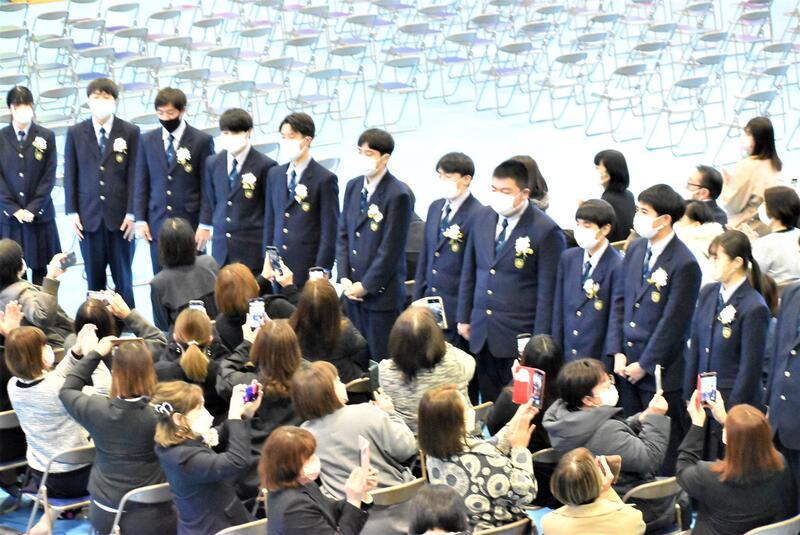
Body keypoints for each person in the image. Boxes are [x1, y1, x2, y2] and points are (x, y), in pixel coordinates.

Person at [457, 159, 565, 402]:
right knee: (489, 402)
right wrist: (464, 316)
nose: (498, 196)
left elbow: (548, 295)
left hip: (518, 337)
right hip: (481, 331)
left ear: (524, 193)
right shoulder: (481, 217)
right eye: (494, 190)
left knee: (518, 403)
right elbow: (470, 270)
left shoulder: (545, 230)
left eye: (506, 191)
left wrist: (537, 345)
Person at [615, 184, 701, 474]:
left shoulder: (685, 263)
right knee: (631, 442)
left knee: (664, 448)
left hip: (660, 370)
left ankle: (665, 495)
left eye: (644, 212)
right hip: (626, 364)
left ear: (664, 220)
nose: (637, 217)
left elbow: (674, 324)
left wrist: (645, 364)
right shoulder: (637, 248)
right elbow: (620, 302)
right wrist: (617, 351)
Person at [59, 337, 177, 535]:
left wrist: (95, 354)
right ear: (150, 372)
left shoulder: (95, 408)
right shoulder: (160, 416)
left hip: (104, 512)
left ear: (115, 373)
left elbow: (67, 389)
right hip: (153, 515)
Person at [543, 359, 671, 528]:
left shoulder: (567, 419)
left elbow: (618, 434)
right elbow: (650, 458)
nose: (612, 384)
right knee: (680, 493)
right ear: (588, 400)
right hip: (624, 503)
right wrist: (656, 417)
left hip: (581, 501)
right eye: (606, 384)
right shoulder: (605, 431)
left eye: (609, 379)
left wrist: (643, 417)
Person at [292, 361, 417, 535]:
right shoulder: (368, 412)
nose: (343, 384)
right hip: (402, 512)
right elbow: (407, 449)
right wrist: (390, 413)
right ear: (329, 391)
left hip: (349, 521)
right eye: (338, 380)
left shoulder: (304, 436)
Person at [5, 327, 106, 534]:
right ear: (37, 356)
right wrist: (93, 355)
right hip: (81, 477)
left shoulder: (13, 386)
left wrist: (76, 352)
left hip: (42, 476)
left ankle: (46, 521)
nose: (49, 348)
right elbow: (104, 394)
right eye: (44, 346)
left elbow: (52, 380)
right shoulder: (58, 388)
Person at [685, 230, 769, 458]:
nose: (711, 263)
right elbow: (696, 346)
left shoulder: (754, 306)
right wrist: (689, 392)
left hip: (731, 399)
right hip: (704, 394)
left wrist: (731, 412)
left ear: (736, 262)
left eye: (717, 258)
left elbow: (750, 368)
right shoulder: (708, 292)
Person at [336, 128, 413, 360]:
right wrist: (344, 276)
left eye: (369, 153)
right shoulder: (353, 186)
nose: (363, 157)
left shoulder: (398, 194)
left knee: (381, 359)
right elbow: (343, 233)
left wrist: (366, 285)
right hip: (352, 293)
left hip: (381, 296)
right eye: (360, 152)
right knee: (356, 356)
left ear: (385, 158)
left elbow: (391, 250)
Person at [63, 78, 139, 307]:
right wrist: (72, 212)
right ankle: (96, 322)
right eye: (96, 97)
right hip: (89, 218)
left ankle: (127, 323)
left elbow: (136, 175)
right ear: (88, 101)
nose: (101, 101)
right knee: (94, 281)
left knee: (123, 279)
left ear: (114, 101)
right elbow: (70, 174)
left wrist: (133, 213)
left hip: (121, 220)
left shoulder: (130, 132)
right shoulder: (76, 133)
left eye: (106, 97)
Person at [418, 384, 537, 530]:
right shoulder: (482, 458)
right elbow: (526, 493)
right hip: (502, 528)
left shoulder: (434, 451)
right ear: (455, 421)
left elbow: (491, 446)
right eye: (466, 408)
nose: (472, 410)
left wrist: (518, 418)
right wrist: (520, 448)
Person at [153, 380, 261, 535]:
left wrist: (243, 414)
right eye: (199, 408)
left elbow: (215, 434)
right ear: (178, 419)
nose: (206, 412)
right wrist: (235, 418)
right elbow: (237, 461)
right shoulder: (184, 458)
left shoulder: (173, 442)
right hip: (216, 528)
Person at [679, 393, 796, 535]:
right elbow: (749, 440)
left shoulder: (709, 476)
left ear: (727, 438)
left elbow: (682, 470)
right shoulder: (780, 466)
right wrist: (727, 421)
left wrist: (697, 425)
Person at [218, 319, 304, 496]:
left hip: (255, 472)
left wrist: (247, 343)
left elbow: (223, 372)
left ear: (258, 350)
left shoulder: (248, 385)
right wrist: (281, 337)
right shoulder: (308, 381)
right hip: (299, 461)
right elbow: (300, 363)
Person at [134, 87, 215, 274]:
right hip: (157, 222)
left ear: (182, 111)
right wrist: (140, 219)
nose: (165, 117)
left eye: (170, 113)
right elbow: (141, 181)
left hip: (191, 223)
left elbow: (207, 187)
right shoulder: (147, 140)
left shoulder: (201, 141)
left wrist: (205, 224)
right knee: (161, 277)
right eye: (160, 113)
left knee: (195, 277)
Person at [413, 152, 484, 349]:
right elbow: (426, 257)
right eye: (440, 176)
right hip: (430, 303)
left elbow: (473, 270)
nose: (443, 180)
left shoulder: (479, 214)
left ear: (466, 179)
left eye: (449, 176)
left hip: (456, 308)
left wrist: (464, 316)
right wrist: (416, 300)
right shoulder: (435, 207)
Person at [487, 334, 564, 507]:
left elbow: (495, 433)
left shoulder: (511, 400)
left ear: (524, 363)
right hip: (565, 480)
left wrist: (516, 382)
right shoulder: (571, 393)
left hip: (527, 484)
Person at [264, 112, 339, 287]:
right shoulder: (275, 174)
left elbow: (330, 229)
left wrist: (322, 268)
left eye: (291, 137)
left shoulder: (324, 179)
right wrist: (268, 258)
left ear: (306, 140)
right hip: (279, 265)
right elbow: (270, 220)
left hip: (307, 264)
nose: (286, 141)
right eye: (283, 137)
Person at [261, 426, 377, 535]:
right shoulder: (293, 508)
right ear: (288, 465)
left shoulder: (305, 484)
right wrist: (353, 500)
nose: (315, 459)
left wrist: (360, 494)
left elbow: (333, 510)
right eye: (308, 458)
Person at [200, 108, 276, 272]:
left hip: (251, 249)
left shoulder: (266, 166)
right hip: (221, 250)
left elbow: (270, 211)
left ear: (248, 132)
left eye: (235, 133)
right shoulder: (213, 163)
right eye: (226, 133)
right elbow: (211, 200)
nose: (230, 137)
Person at [378, 307, 475, 432]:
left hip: (410, 439)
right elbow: (471, 365)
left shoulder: (384, 371)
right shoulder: (458, 361)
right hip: (457, 435)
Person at [0, 86, 61, 286]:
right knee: (15, 274)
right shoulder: (1, 137)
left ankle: (44, 305)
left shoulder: (46, 135)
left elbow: (48, 176)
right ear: (10, 108)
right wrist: (13, 209)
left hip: (40, 216)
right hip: (11, 218)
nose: (23, 109)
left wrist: (33, 208)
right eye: (18, 105)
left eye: (27, 104)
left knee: (42, 271)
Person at [552, 199, 623, 362]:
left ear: (605, 229)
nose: (580, 230)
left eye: (587, 225)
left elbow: (614, 319)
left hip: (595, 357)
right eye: (578, 224)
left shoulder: (617, 265)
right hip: (567, 355)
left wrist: (606, 364)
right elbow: (558, 309)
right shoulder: (568, 258)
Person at [541, 448, 646, 535]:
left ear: (556, 486)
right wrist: (607, 490)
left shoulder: (549, 523)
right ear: (598, 480)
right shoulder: (632, 518)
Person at [155, 308, 228, 422]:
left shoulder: (160, 373)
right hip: (218, 431)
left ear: (175, 338)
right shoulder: (224, 374)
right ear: (210, 339)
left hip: (175, 431)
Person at [289, 278, 368, 383]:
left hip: (307, 382)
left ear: (303, 303)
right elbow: (361, 345)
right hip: (343, 381)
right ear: (334, 304)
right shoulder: (344, 330)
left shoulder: (293, 327)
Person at [149, 217, 219, 331]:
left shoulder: (159, 283)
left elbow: (162, 326)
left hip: (183, 339)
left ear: (163, 246)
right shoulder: (209, 263)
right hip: (217, 334)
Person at [766, 278, 800, 510]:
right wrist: (769, 405)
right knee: (782, 503)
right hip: (780, 418)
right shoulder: (792, 292)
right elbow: (779, 353)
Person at [0, 242, 73, 347]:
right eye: (20, 258)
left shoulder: (6, 288)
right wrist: (51, 277)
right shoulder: (22, 293)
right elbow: (43, 317)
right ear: (15, 266)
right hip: (56, 346)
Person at [213, 261, 297, 351]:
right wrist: (289, 288)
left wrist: (263, 278)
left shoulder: (220, 326)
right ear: (254, 285)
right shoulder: (277, 307)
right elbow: (304, 323)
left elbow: (239, 295)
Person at [720, 116, 783, 230]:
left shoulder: (747, 165)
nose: (743, 137)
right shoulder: (775, 164)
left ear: (759, 139)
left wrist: (725, 186)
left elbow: (732, 206)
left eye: (748, 134)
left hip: (748, 226)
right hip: (773, 223)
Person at [67, 290, 168, 360]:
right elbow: (160, 343)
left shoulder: (71, 347)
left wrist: (93, 310)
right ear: (110, 324)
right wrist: (128, 315)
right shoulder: (124, 354)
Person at [753, 186, 800, 284]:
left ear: (773, 210)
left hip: (776, 293)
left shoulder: (764, 244)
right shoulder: (797, 234)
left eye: (765, 203)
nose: (762, 207)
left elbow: (754, 278)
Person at [674, 200, 725, 286]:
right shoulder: (718, 242)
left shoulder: (690, 247)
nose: (675, 223)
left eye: (680, 220)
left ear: (696, 225)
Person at [594, 149, 635, 242]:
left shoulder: (607, 200)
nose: (596, 171)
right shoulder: (629, 195)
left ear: (610, 172)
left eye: (598, 168)